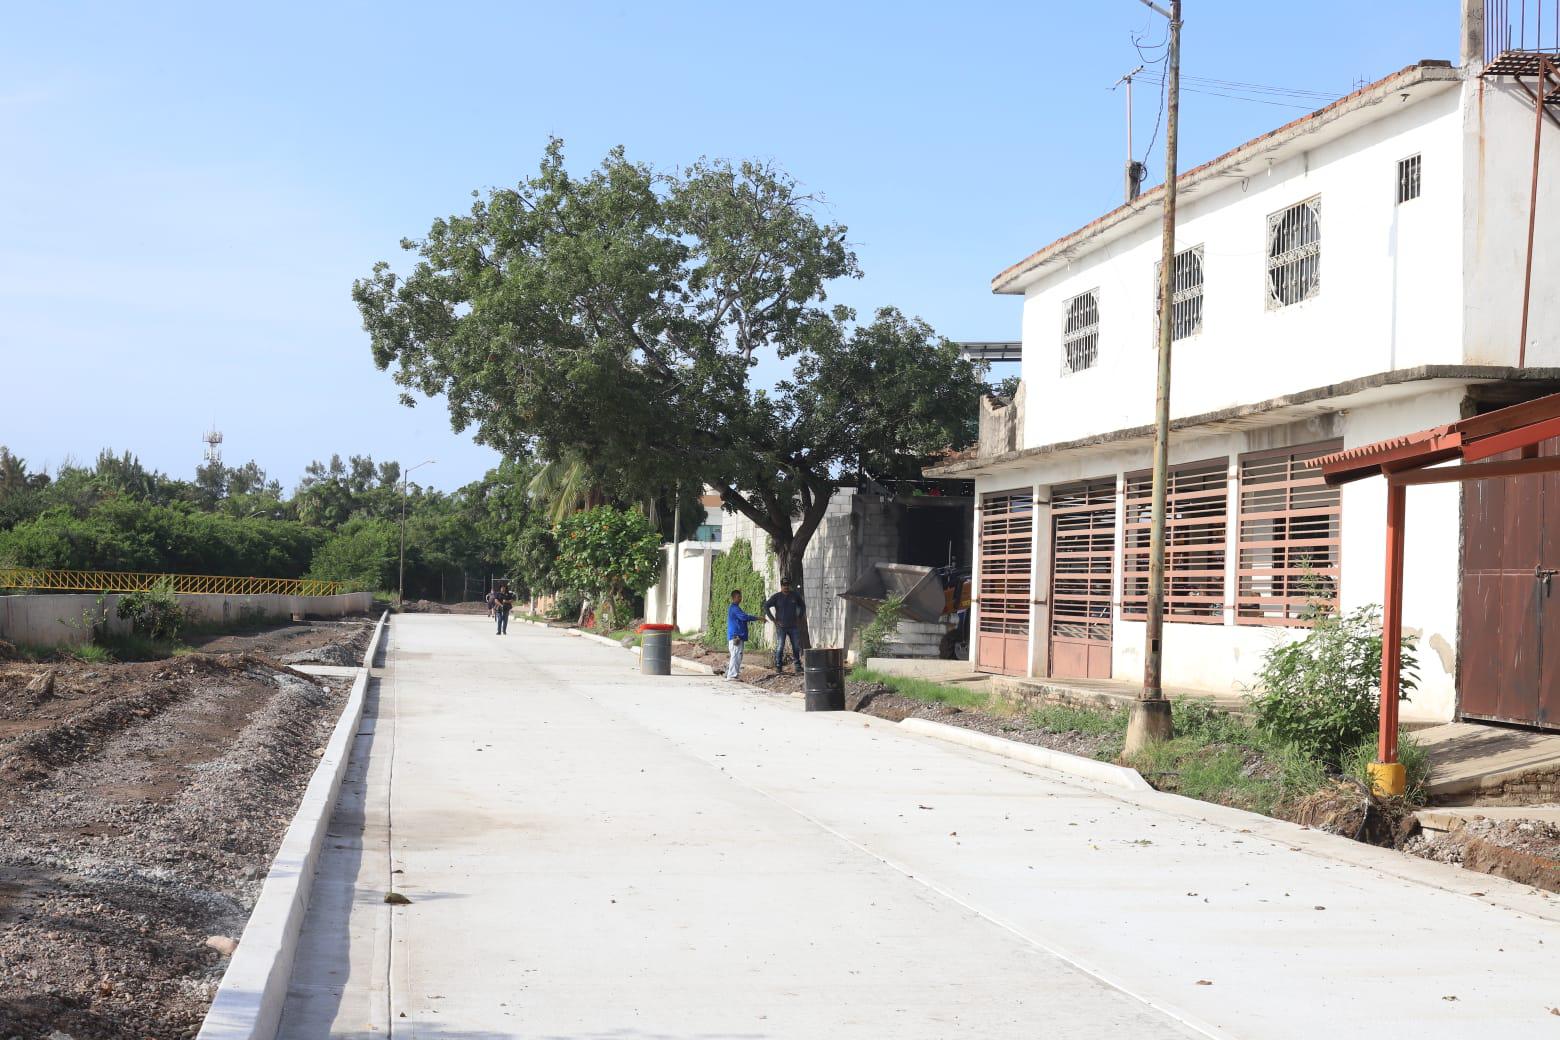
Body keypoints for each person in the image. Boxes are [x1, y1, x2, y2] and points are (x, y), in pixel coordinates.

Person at [764, 578, 806, 673]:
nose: (786, 587)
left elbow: (802, 605)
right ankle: (778, 666)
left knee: (796, 646)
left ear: (789, 585)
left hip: (793, 626)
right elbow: (766, 606)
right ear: (781, 586)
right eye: (784, 585)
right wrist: (773, 620)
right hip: (781, 627)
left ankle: (798, 665)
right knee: (780, 646)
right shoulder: (777, 597)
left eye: (787, 585)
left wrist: (800, 617)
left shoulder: (794, 595)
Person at [725, 589, 761, 681]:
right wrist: (757, 618)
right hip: (736, 636)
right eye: (738, 597)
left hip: (737, 636)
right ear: (733, 598)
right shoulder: (734, 608)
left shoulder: (735, 608)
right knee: (736, 655)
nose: (740, 598)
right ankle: (732, 675)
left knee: (738, 655)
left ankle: (734, 674)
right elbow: (744, 617)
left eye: (740, 596)